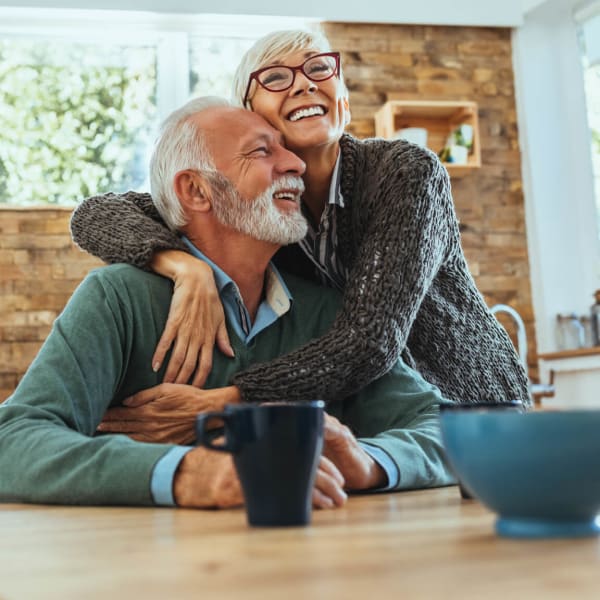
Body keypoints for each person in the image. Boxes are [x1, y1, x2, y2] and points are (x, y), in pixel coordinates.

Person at [0, 97, 454, 508]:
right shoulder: (117, 299)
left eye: (286, 149)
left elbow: (447, 429)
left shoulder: (327, 312)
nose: (295, 162)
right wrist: (185, 473)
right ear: (196, 191)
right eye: (262, 151)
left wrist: (368, 461)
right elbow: (12, 441)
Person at [71, 29, 530, 410]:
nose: (304, 84)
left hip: (472, 407)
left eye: (318, 68)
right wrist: (182, 265)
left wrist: (227, 401)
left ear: (343, 100)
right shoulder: (257, 208)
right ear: (251, 116)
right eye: (274, 77)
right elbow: (95, 214)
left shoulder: (406, 172)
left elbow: (369, 340)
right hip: (376, 418)